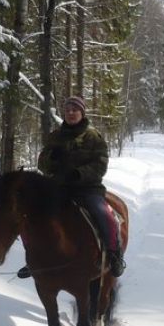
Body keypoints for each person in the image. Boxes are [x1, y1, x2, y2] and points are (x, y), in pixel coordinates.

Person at [18, 96, 125, 279]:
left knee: (104, 215)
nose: (71, 113)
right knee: (31, 215)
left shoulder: (93, 136)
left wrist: (78, 173)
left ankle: (114, 255)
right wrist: (51, 159)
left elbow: (100, 165)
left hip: (87, 189)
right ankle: (33, 258)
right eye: (67, 110)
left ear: (82, 113)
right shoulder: (55, 136)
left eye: (75, 110)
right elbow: (42, 163)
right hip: (59, 188)